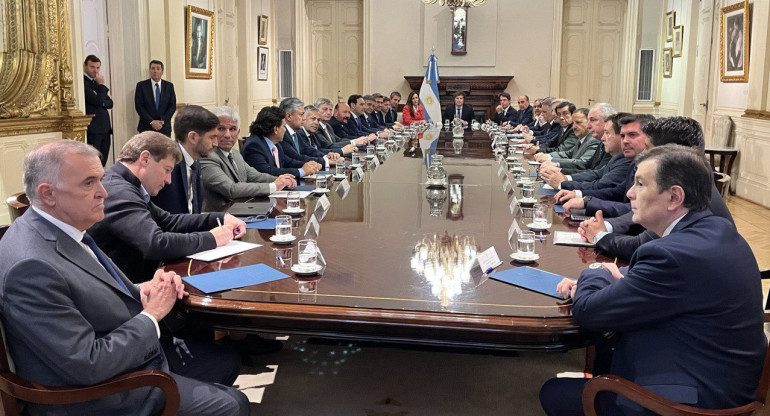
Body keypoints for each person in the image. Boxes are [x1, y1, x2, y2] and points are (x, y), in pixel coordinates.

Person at [0, 140, 249, 416]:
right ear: (48, 194)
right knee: (233, 404)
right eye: (88, 183)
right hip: (90, 397)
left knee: (225, 361)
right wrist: (152, 314)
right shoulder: (31, 266)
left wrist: (142, 290)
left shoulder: (62, 228)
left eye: (101, 180)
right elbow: (87, 363)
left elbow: (90, 289)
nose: (103, 192)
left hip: (123, 358)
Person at [541, 145, 766, 415]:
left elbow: (589, 311)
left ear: (673, 197)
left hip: (692, 402)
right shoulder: (717, 228)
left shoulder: (670, 254)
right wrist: (619, 276)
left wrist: (596, 271)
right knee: (606, 347)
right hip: (724, 375)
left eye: (640, 184)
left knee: (553, 391)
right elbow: (672, 285)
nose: (629, 193)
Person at [88, 131, 245, 283]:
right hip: (129, 294)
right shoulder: (119, 190)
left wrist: (219, 218)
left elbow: (169, 221)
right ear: (145, 159)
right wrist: (212, 238)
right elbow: (156, 244)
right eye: (167, 170)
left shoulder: (127, 185)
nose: (169, 180)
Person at [577, 117, 735, 260]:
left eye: (649, 149)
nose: (643, 153)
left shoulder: (686, 193)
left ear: (672, 153)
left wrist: (599, 236)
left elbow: (639, 247)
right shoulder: (695, 178)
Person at [201, 106, 296, 211]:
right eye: (221, 129)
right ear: (212, 132)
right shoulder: (207, 157)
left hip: (242, 211)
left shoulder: (235, 154)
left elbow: (256, 176)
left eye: (232, 129)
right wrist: (274, 186)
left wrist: (283, 181)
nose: (227, 135)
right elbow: (231, 189)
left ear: (238, 132)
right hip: (218, 219)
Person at [151, 105, 218, 214]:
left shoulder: (195, 162)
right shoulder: (167, 166)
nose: (216, 143)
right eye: (212, 137)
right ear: (193, 137)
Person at [242, 106, 320, 178]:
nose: (285, 130)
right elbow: (267, 172)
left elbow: (288, 162)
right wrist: (301, 171)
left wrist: (309, 165)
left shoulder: (276, 144)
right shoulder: (254, 145)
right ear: (275, 129)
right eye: (283, 126)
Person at [533, 108, 599, 170]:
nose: (574, 127)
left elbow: (582, 163)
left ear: (589, 123)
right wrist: (547, 156)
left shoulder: (593, 140)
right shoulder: (582, 138)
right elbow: (568, 154)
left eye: (578, 123)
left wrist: (550, 160)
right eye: (573, 123)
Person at [83, 54, 114, 165]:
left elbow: (110, 103)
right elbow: (97, 101)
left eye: (97, 68)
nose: (95, 71)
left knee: (103, 162)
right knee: (94, 162)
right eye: (92, 67)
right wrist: (101, 86)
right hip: (94, 129)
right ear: (85, 66)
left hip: (105, 128)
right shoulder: (83, 83)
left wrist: (101, 100)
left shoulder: (95, 82)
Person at [135, 60, 176, 137]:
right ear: (150, 71)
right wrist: (152, 122)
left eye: (158, 68)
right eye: (153, 68)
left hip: (164, 128)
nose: (155, 71)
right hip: (146, 127)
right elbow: (139, 106)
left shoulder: (169, 86)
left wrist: (162, 121)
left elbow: (172, 106)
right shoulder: (141, 86)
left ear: (162, 71)